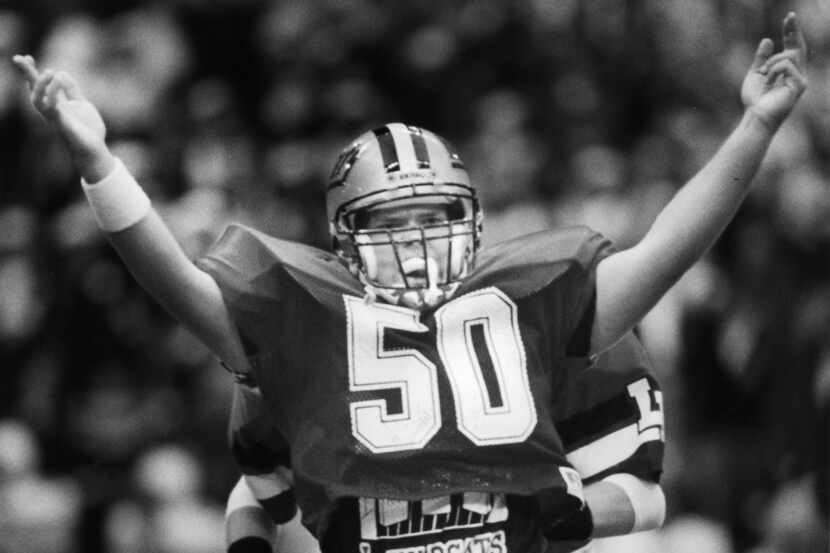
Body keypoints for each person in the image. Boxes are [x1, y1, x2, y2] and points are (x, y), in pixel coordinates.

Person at [13, 11, 807, 553]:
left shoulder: (530, 299)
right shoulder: (303, 317)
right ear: (344, 236)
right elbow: (178, 287)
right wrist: (99, 165)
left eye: (435, 215)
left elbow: (669, 248)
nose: (420, 239)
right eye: (393, 223)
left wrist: (755, 128)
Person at [223, 330, 666, 553]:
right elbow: (259, 486)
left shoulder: (536, 325)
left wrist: (563, 516)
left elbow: (645, 497)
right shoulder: (329, 345)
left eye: (432, 219)